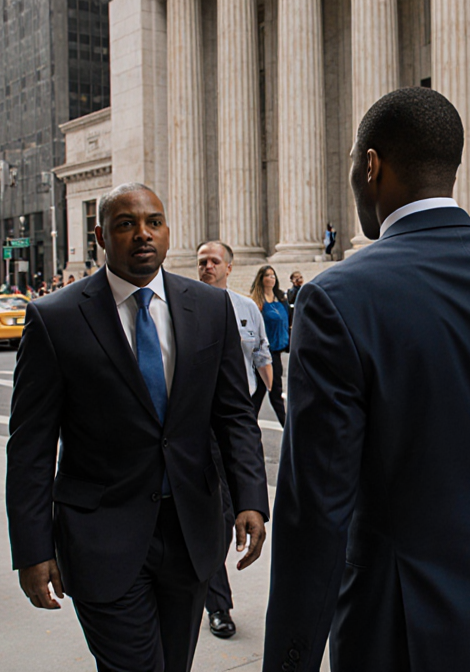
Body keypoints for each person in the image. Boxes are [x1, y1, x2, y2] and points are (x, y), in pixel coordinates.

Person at [263, 87, 470, 672]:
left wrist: (290, 660)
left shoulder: (337, 298)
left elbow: (315, 512)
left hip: (402, 634)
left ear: (371, 165)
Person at [5, 183, 269, 672]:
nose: (143, 234)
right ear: (102, 236)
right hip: (100, 539)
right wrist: (32, 547)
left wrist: (251, 497)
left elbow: (234, 415)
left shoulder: (211, 309)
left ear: (168, 232)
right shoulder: (54, 318)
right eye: (126, 224)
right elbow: (30, 448)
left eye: (154, 222)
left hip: (191, 535)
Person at [197, 240, 273, 640]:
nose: (207, 267)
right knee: (216, 519)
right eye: (201, 262)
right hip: (199, 429)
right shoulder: (183, 309)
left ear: (229, 266)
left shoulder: (246, 310)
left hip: (238, 421)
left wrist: (262, 404)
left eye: (213, 261)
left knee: (232, 514)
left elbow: (262, 356)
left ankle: (206, 587)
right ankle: (217, 604)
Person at [249, 265, 288, 427]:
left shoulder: (281, 298)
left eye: (273, 275)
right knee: (262, 393)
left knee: (272, 393)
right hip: (262, 354)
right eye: (267, 275)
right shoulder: (256, 302)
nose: (271, 278)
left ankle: (287, 430)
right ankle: (287, 430)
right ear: (261, 278)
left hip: (277, 352)